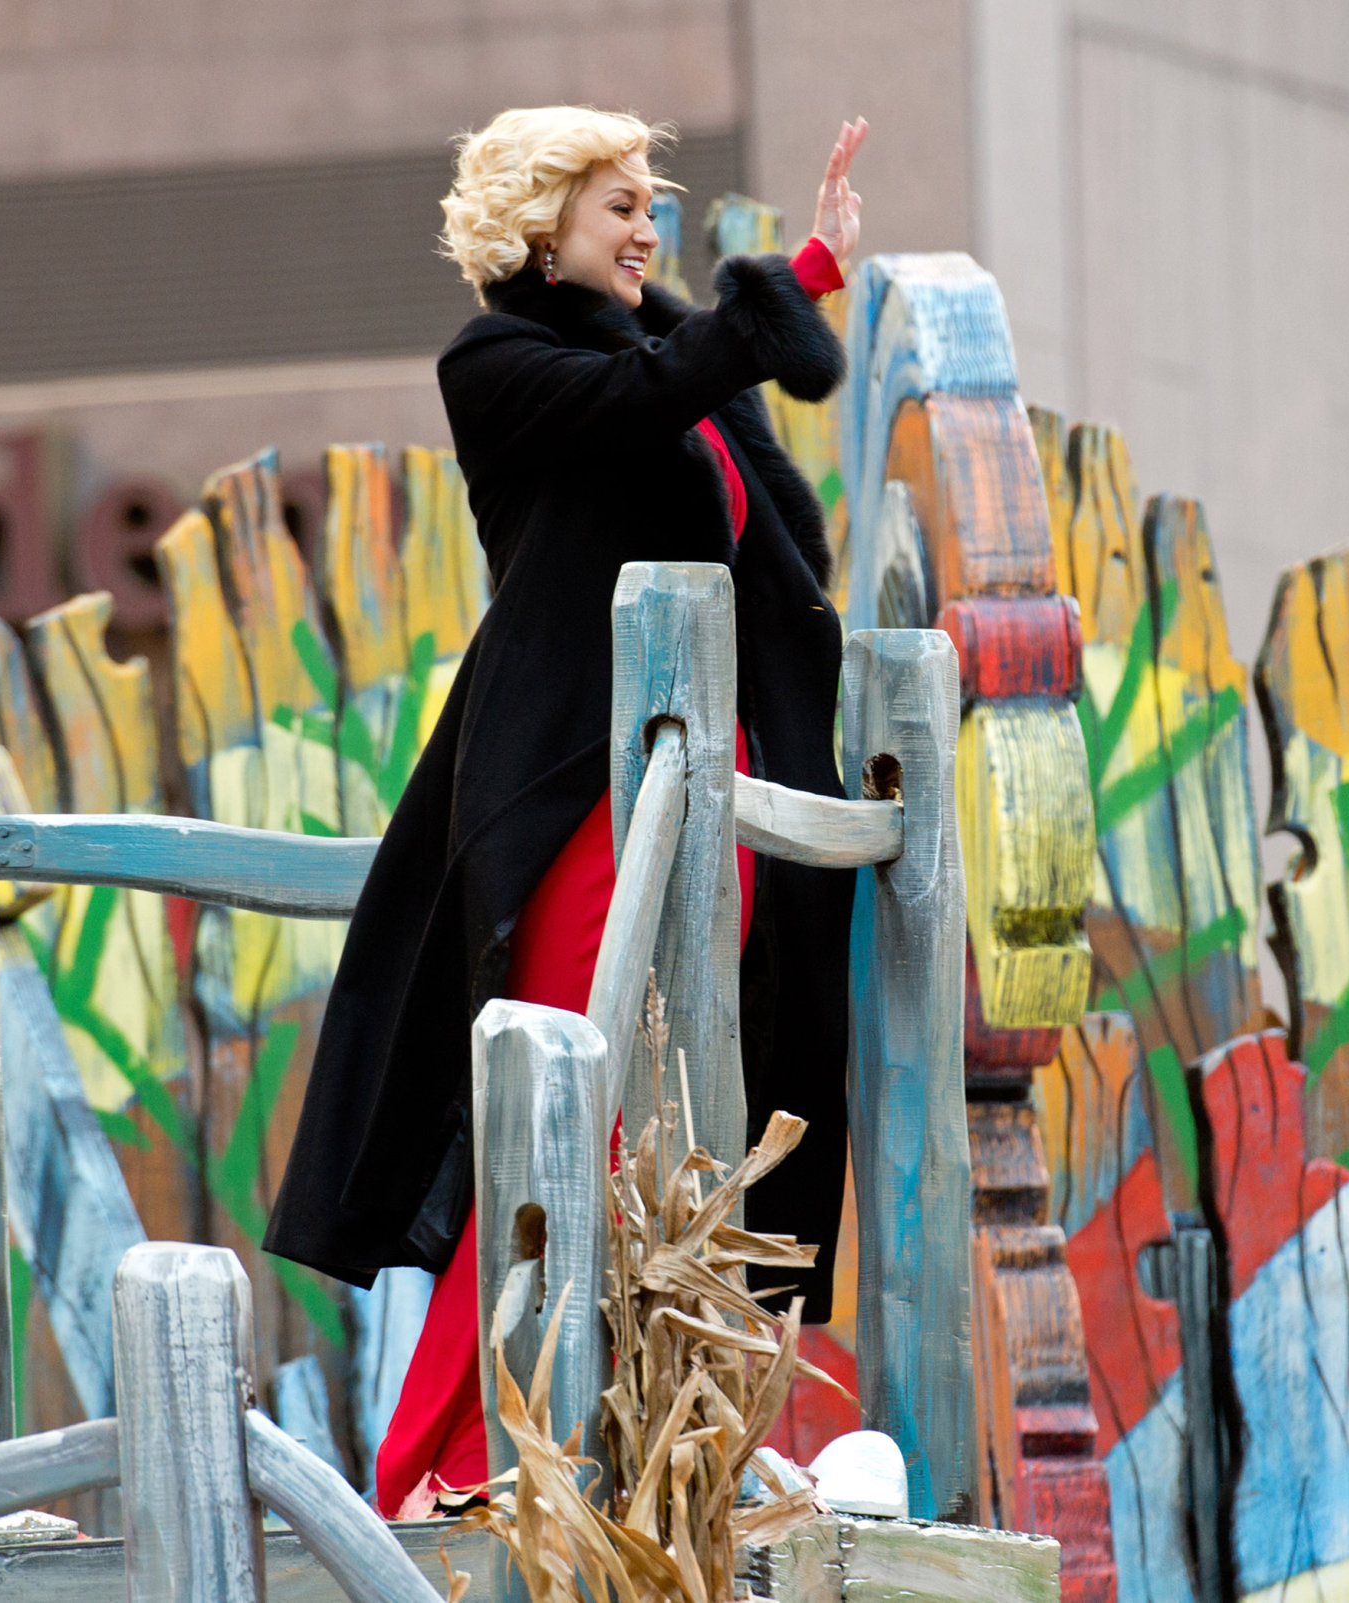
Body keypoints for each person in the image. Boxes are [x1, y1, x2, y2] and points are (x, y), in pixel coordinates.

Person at [262, 106, 870, 1515]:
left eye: (650, 200)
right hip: (580, 787)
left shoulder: (670, 368)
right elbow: (633, 406)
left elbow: (736, 484)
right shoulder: (499, 362)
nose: (647, 226)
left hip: (710, 764)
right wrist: (794, 286)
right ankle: (453, 1462)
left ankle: (671, 1441)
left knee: (688, 1117)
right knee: (569, 1123)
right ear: (538, 227)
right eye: (617, 207)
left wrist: (803, 288)